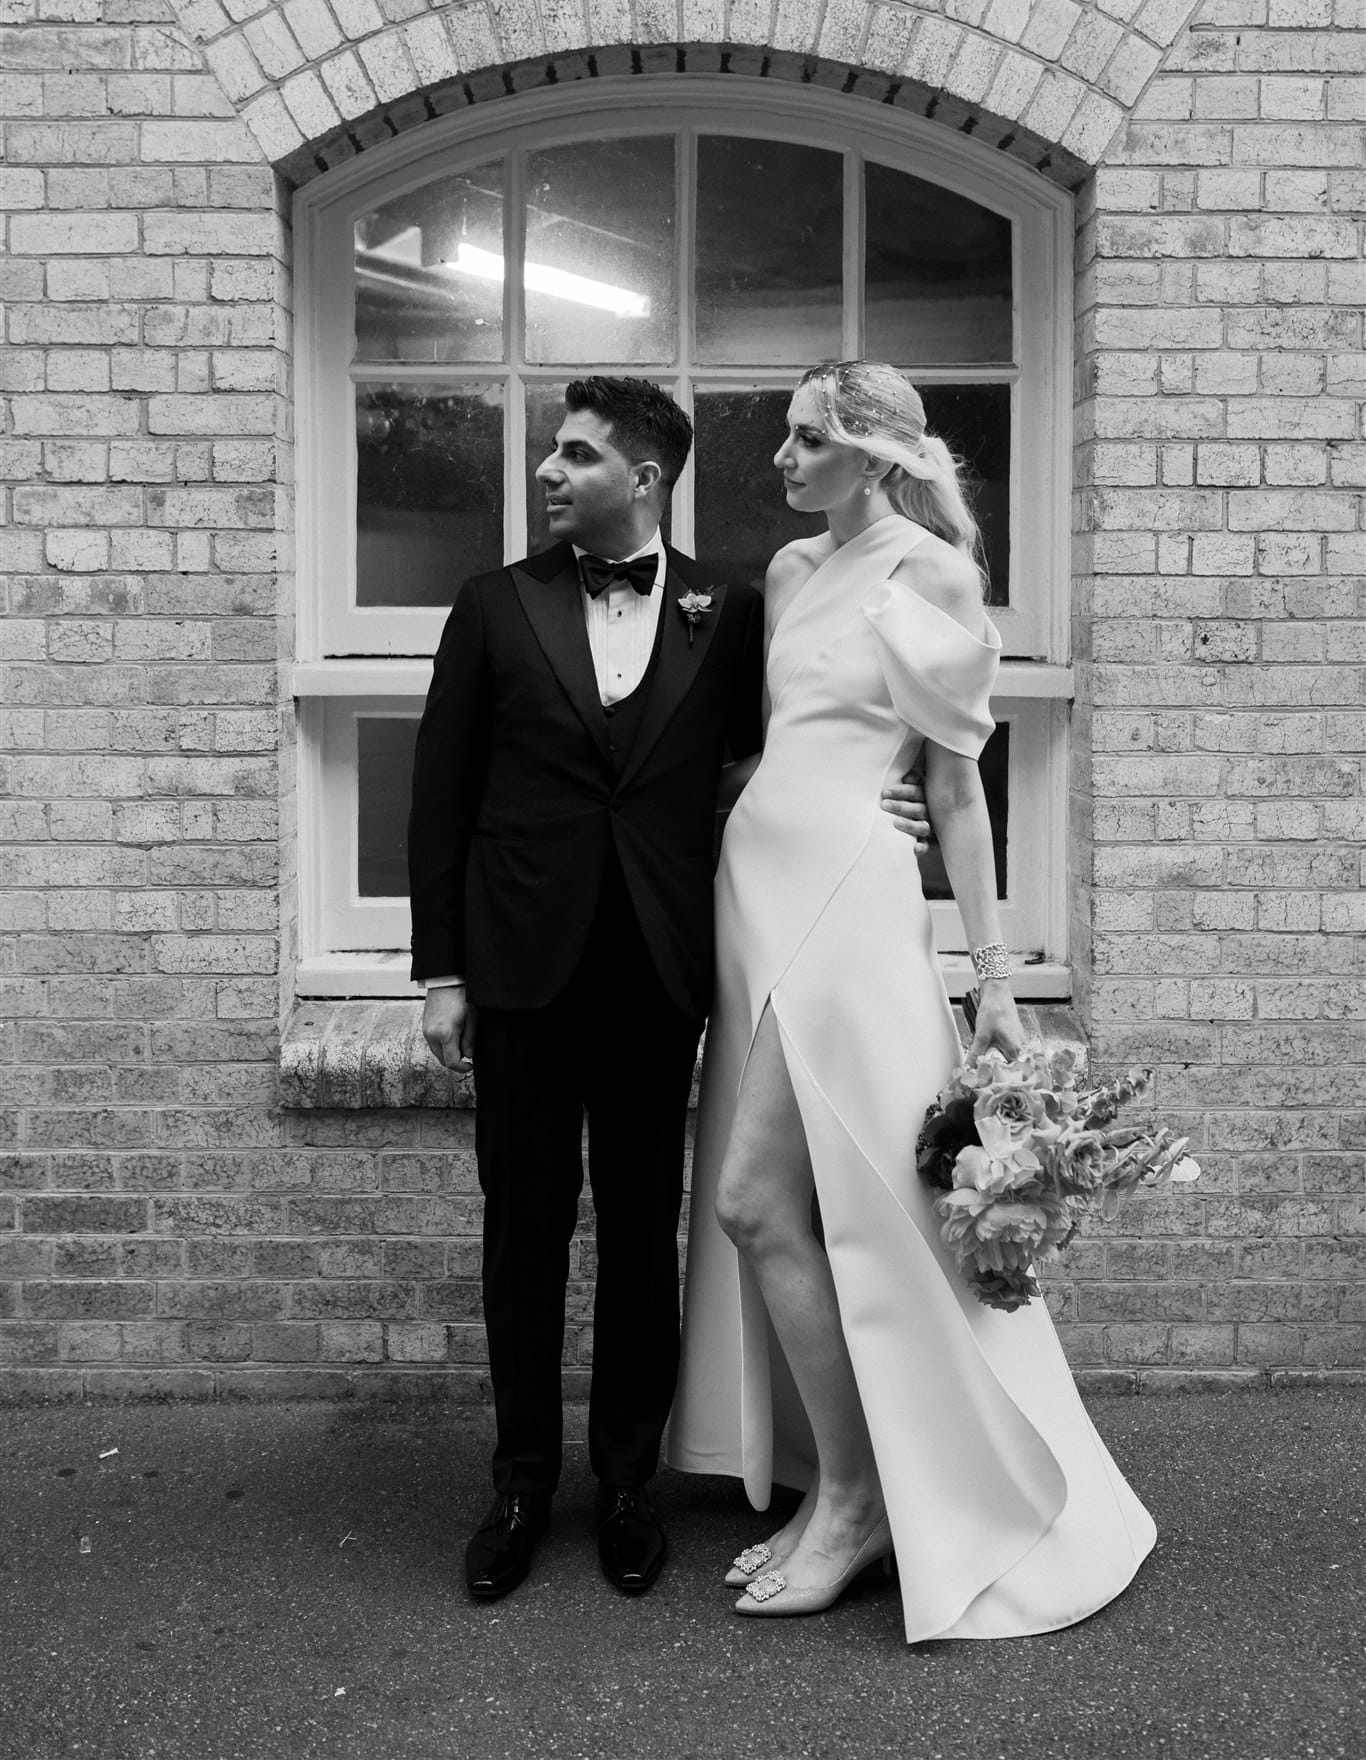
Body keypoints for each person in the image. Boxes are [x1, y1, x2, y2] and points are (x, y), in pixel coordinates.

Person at [408, 373, 934, 1605]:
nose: (548, 469)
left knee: (646, 1230)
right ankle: (520, 1483)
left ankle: (625, 1483)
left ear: (642, 478)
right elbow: (440, 794)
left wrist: (877, 796)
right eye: (553, 451)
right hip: (521, 971)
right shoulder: (492, 605)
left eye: (576, 453)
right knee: (523, 1229)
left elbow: (785, 747)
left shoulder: (729, 608)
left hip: (659, 967)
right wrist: (442, 971)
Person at [667, 360, 1156, 1640]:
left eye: (808, 437)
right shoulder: (786, 571)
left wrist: (992, 976)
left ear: (874, 454)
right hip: (752, 893)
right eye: (785, 434)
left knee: (752, 1200)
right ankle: (843, 1478)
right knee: (792, 1202)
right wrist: (750, 793)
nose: (782, 456)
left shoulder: (932, 574)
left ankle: (854, 1502)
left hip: (847, 902)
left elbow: (951, 789)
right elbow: (783, 745)